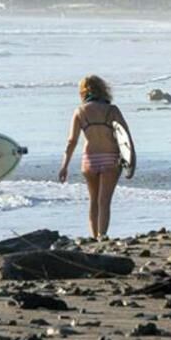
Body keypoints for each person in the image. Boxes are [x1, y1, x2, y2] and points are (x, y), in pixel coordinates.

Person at [58, 75, 133, 239]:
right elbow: (125, 136)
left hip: (89, 160)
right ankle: (102, 235)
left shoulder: (80, 111)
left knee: (93, 201)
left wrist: (64, 166)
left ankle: (93, 237)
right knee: (104, 202)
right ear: (103, 89)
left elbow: (72, 141)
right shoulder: (112, 110)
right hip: (111, 159)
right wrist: (131, 162)